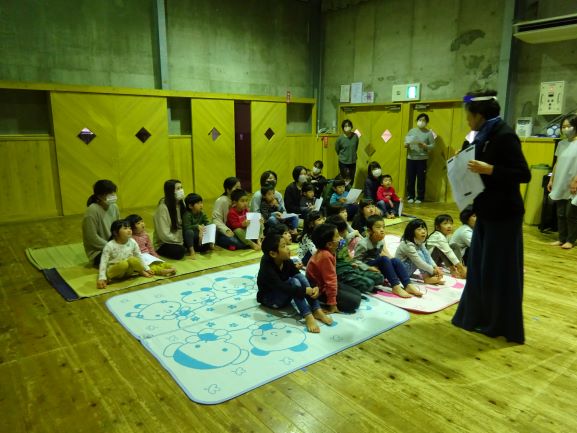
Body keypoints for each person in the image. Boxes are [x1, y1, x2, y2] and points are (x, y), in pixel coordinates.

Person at [452, 90, 531, 344]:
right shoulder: (480, 136)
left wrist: (491, 169)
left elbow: (524, 174)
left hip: (504, 214)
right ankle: (475, 316)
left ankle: (498, 323)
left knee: (498, 271)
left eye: (469, 116)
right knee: (479, 268)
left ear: (480, 115)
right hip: (485, 211)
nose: (467, 120)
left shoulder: (505, 135)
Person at [257, 234, 333, 333]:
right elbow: (281, 287)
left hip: (284, 293)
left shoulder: (285, 260)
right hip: (270, 299)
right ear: (273, 254)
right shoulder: (266, 267)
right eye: (284, 246)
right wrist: (304, 290)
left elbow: (298, 275)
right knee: (294, 282)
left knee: (299, 277)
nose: (288, 248)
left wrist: (313, 288)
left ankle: (316, 309)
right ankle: (308, 315)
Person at [355, 215, 422, 298]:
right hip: (366, 267)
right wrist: (368, 268)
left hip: (376, 265)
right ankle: (395, 286)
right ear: (369, 231)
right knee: (384, 259)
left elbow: (378, 256)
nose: (382, 230)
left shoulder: (381, 241)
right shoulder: (363, 244)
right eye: (378, 227)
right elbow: (355, 261)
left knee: (395, 260)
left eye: (383, 227)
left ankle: (408, 284)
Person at [306, 223, 362, 313]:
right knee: (354, 303)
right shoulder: (325, 255)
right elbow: (330, 280)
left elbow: (332, 279)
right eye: (337, 236)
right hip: (318, 290)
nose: (341, 238)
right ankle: (322, 302)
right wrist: (332, 304)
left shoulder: (330, 251)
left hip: (324, 285)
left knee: (358, 294)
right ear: (329, 244)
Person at [326, 215, 384, 294]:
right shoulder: (330, 246)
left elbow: (348, 257)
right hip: (342, 272)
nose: (345, 233)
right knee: (369, 284)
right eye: (342, 232)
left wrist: (354, 264)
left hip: (351, 268)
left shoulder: (342, 241)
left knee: (379, 277)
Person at [547, 113, 577, 249]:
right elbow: (557, 163)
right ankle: (561, 238)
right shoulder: (561, 144)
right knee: (560, 213)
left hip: (573, 183)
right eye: (563, 127)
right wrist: (551, 179)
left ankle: (571, 240)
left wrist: (575, 181)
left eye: (568, 126)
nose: (565, 129)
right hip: (560, 181)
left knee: (570, 214)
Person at [97, 220, 153, 289]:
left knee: (133, 260)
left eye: (130, 228)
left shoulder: (132, 242)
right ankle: (108, 278)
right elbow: (103, 262)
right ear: (115, 233)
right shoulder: (109, 245)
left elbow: (139, 256)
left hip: (128, 272)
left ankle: (141, 271)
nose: (129, 230)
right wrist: (102, 277)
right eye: (125, 228)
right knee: (123, 264)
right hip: (115, 272)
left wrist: (146, 268)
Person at [82, 179, 120, 267]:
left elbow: (119, 227)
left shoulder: (114, 207)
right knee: (122, 262)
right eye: (109, 193)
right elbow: (92, 238)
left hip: (114, 246)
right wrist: (112, 247)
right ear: (99, 196)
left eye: (113, 193)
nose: (112, 195)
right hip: (98, 252)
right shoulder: (92, 211)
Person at [395, 219, 444, 285]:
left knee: (424, 253)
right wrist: (432, 270)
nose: (423, 231)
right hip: (399, 273)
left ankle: (430, 276)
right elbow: (419, 262)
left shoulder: (419, 241)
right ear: (411, 232)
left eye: (424, 229)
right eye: (419, 229)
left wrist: (435, 267)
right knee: (419, 253)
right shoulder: (408, 244)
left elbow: (427, 255)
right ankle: (426, 278)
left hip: (407, 271)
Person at [404, 113, 435, 203]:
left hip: (422, 159)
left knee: (421, 178)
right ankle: (410, 196)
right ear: (417, 121)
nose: (421, 122)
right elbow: (406, 142)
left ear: (427, 122)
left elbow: (433, 146)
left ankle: (420, 197)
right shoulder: (412, 131)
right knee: (411, 178)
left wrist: (425, 146)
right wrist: (406, 144)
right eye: (420, 120)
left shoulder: (429, 133)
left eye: (423, 120)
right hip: (411, 158)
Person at [153, 179, 187, 260]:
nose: (181, 190)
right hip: (165, 242)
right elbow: (164, 234)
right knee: (180, 251)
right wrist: (180, 240)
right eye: (178, 189)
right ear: (170, 191)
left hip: (179, 238)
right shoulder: (163, 208)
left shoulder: (181, 203)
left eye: (181, 187)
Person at [426, 214, 467, 279]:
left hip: (437, 261)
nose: (449, 226)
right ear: (437, 227)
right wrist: (460, 267)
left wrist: (460, 265)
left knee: (454, 246)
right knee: (443, 249)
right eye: (445, 224)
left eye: (451, 224)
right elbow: (448, 252)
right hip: (429, 262)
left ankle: (458, 268)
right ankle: (456, 269)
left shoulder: (445, 235)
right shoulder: (438, 236)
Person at [213, 177, 247, 250]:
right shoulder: (221, 200)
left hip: (237, 229)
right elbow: (216, 220)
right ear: (228, 190)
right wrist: (226, 230)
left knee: (248, 239)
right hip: (225, 231)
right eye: (236, 187)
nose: (239, 190)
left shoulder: (239, 199)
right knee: (238, 243)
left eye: (240, 187)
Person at [183, 193, 213, 257]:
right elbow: (186, 227)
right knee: (189, 232)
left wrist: (206, 227)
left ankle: (211, 245)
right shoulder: (187, 215)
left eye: (201, 202)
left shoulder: (202, 213)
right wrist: (197, 226)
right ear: (190, 206)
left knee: (212, 226)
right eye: (198, 203)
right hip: (190, 240)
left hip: (200, 237)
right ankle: (192, 251)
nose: (201, 205)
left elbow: (207, 222)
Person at [335, 119, 359, 184]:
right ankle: (344, 190)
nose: (347, 127)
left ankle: (349, 190)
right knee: (345, 179)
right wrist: (343, 155)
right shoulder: (340, 139)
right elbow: (337, 149)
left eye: (349, 125)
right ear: (343, 128)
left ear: (351, 127)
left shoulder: (355, 136)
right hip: (343, 162)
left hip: (353, 161)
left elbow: (356, 147)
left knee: (351, 179)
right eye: (345, 126)